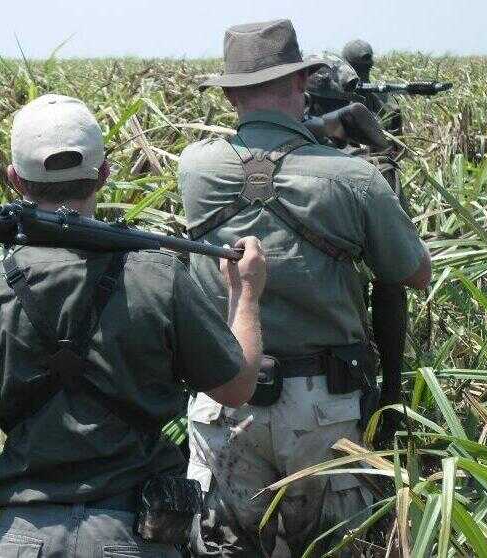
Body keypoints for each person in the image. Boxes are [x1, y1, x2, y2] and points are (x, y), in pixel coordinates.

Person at [0, 93, 267, 558]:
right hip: (136, 538)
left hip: (22, 541)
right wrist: (246, 296)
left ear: (14, 180)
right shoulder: (158, 279)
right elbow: (236, 387)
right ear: (103, 173)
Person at [179, 20, 431, 557]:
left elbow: (262, 160)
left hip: (224, 399)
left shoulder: (194, 168)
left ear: (227, 94)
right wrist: (370, 152)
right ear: (304, 81)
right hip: (322, 409)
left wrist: (320, 130)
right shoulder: (352, 178)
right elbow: (413, 273)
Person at [341, 39, 402, 135]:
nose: (362, 73)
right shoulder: (337, 95)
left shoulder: (382, 97)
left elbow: (395, 140)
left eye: (365, 67)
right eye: (359, 68)